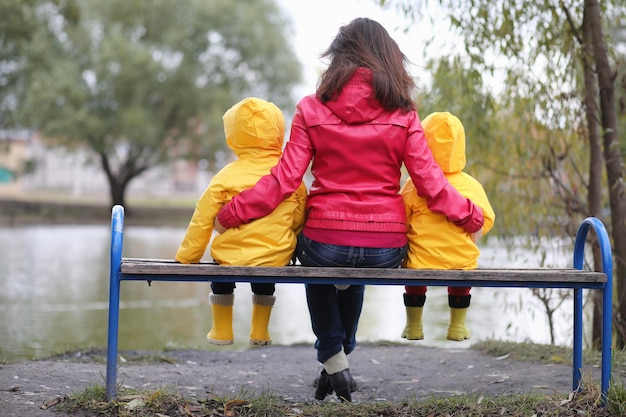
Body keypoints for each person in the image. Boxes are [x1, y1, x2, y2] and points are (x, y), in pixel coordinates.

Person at [214, 18, 484, 402]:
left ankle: (332, 357)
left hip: (324, 241)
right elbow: (431, 185)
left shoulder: (310, 109)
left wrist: (233, 213)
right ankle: (338, 359)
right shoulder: (405, 115)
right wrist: (470, 215)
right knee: (354, 265)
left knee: (316, 262)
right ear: (389, 59)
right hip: (386, 247)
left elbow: (285, 180)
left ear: (337, 59)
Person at [175, 97, 307, 347]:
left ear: (234, 135)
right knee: (266, 276)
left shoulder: (226, 176)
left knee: (221, 273)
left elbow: (202, 220)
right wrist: (290, 246)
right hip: (275, 256)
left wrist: (188, 257)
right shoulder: (290, 178)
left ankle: (222, 331)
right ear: (278, 131)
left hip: (230, 256)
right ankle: (260, 332)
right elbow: (300, 218)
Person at [400, 111, 496, 342]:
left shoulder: (414, 185)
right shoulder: (471, 185)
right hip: (461, 262)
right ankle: (457, 327)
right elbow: (487, 220)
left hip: (421, 261)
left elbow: (400, 219)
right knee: (462, 277)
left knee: (413, 276)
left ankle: (414, 326)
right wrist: (469, 237)